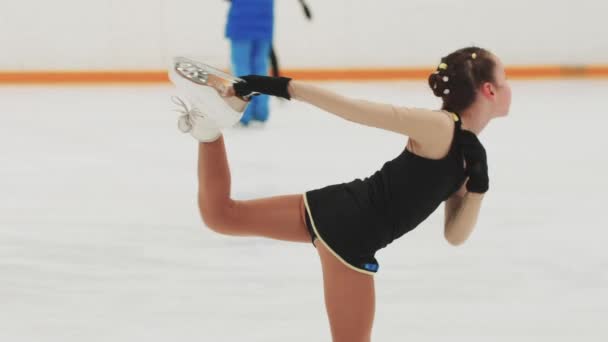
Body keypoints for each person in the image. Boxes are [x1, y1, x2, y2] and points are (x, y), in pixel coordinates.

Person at [169, 46, 511, 342]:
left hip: (338, 208)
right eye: (504, 80)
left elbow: (454, 235)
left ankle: (207, 129)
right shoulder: (439, 127)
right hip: (351, 236)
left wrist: (477, 190)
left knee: (221, 215)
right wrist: (273, 86)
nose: (509, 87)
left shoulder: (469, 156)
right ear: (489, 91)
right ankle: (209, 127)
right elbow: (354, 109)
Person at [225, 0, 274, 125]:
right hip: (264, 24)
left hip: (241, 22)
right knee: (261, 67)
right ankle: (261, 112)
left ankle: (243, 113)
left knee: (241, 67)